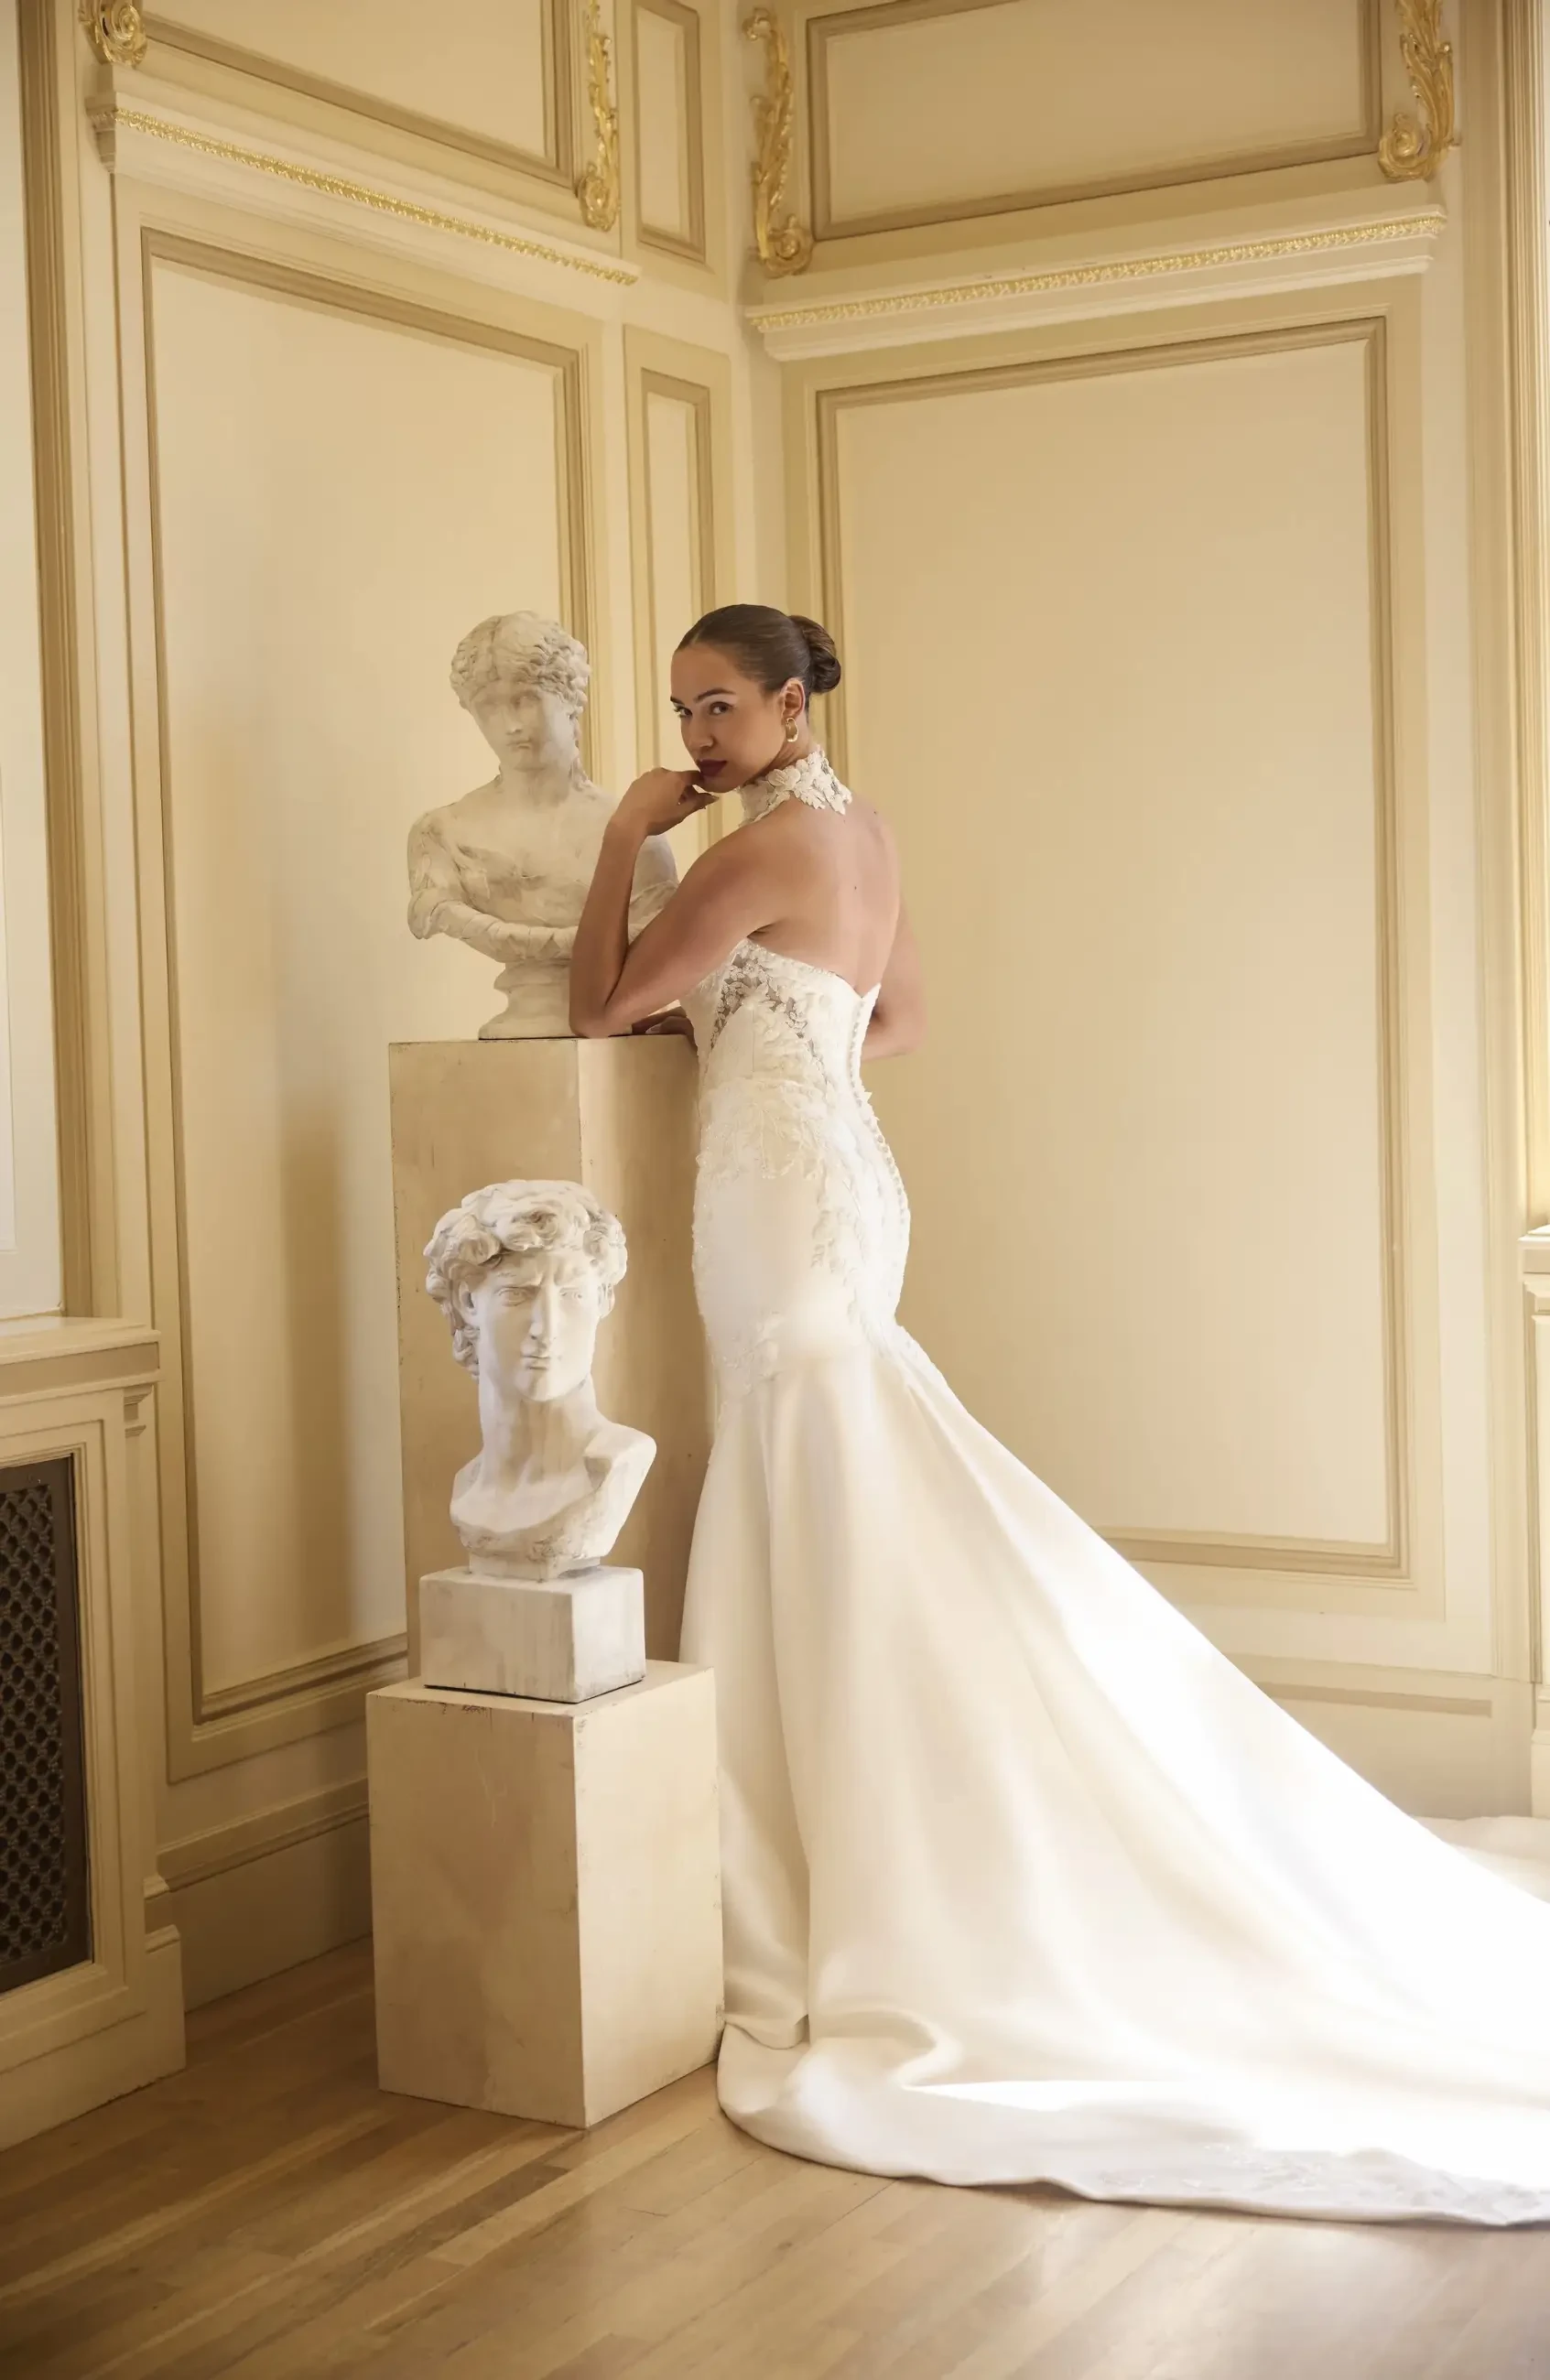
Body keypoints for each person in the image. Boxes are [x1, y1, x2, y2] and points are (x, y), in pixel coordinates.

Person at [569, 601, 1550, 2225]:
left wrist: (624, 841)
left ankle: (840, 1865)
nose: (695, 743)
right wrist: (770, 1037)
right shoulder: (858, 837)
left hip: (782, 1206)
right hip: (840, 1190)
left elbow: (603, 1003)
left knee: (813, 1477)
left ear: (795, 707)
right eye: (682, 715)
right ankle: (867, 1824)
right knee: (849, 1488)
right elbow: (896, 1019)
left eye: (721, 710)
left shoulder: (745, 857)